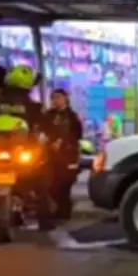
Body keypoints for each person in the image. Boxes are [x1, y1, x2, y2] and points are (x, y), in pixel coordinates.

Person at [0, 64, 51, 240]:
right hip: (8, 155)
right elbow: (44, 125)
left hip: (5, 154)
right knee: (40, 183)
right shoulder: (32, 105)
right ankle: (45, 221)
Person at [44, 88, 83, 221]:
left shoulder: (72, 116)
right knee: (51, 185)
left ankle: (64, 212)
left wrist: (63, 142)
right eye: (53, 98)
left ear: (66, 98)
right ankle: (59, 210)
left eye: (58, 97)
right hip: (51, 156)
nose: (56, 100)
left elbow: (77, 134)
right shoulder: (48, 115)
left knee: (66, 183)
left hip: (68, 155)